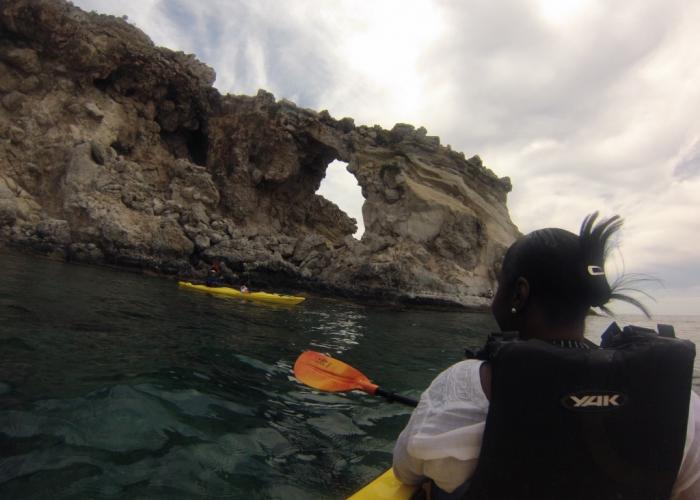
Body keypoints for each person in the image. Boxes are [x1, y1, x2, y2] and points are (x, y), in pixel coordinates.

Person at [393, 212, 700, 500]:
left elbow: (404, 469)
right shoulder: (679, 399)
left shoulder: (461, 385)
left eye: (501, 286)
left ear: (519, 294)